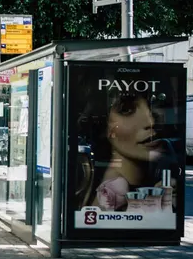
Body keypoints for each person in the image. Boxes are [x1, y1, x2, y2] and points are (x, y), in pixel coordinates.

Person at [75, 73, 179, 212]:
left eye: (154, 104)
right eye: (127, 110)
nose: (151, 122)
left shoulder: (163, 162)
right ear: (106, 127)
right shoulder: (113, 191)